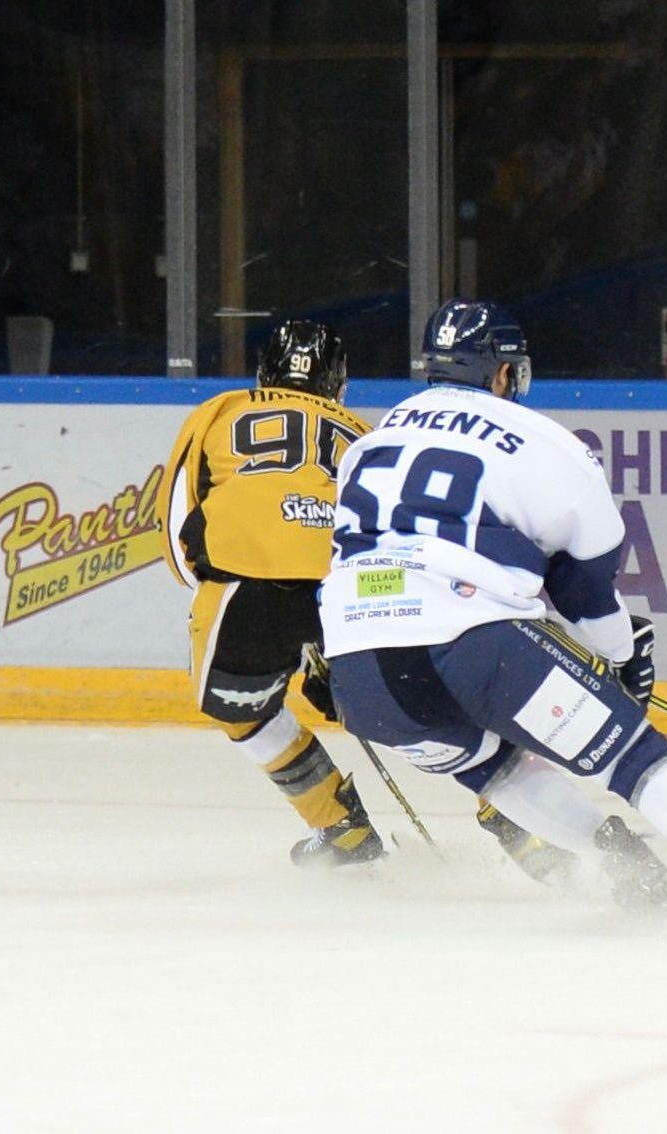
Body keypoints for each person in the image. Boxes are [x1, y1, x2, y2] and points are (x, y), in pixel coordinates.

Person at [320, 299, 667, 931]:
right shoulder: (546, 444)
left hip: (358, 672)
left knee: (496, 769)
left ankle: (617, 858)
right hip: (470, 641)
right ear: (503, 374)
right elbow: (586, 593)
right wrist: (623, 659)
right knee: (633, 757)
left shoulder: (371, 444)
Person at [160, 319, 577, 881]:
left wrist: (219, 588)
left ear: (264, 371)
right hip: (352, 586)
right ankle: (518, 820)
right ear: (338, 382)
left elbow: (174, 526)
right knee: (406, 708)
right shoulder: (362, 432)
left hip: (244, 579)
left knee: (246, 712)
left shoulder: (220, 410)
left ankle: (340, 828)